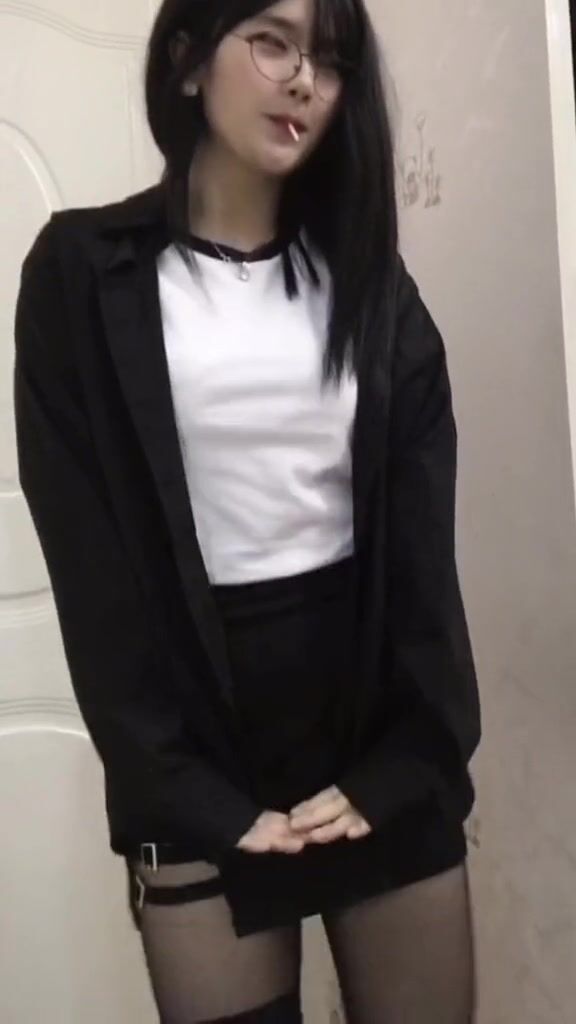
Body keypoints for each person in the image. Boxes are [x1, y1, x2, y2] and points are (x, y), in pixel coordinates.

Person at [13, 0, 482, 1020]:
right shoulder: (81, 276)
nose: (305, 78)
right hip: (196, 741)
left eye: (331, 59)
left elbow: (421, 547)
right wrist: (187, 790)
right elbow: (91, 565)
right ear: (187, 62)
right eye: (273, 42)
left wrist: (410, 756)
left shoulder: (368, 281)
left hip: (374, 729)